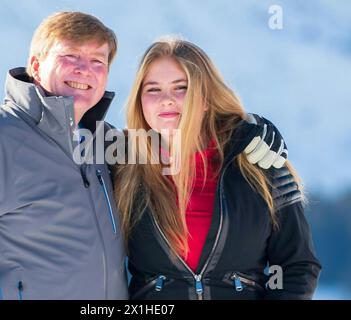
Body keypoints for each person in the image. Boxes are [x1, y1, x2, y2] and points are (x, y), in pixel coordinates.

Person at [0, 12, 287, 300]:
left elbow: (186, 140)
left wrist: (251, 130)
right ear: (36, 66)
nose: (84, 71)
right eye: (70, 56)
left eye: (97, 61)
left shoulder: (108, 146)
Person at [114, 37, 321, 300]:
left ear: (206, 99)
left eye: (181, 88)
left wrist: (253, 128)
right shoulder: (120, 166)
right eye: (153, 90)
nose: (166, 100)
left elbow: (298, 265)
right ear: (139, 102)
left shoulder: (259, 161)